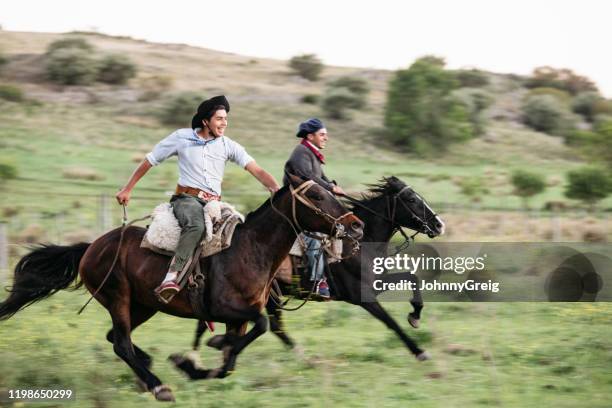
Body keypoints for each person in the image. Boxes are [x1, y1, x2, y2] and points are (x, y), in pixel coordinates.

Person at [116, 95, 280, 300]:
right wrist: (127, 189)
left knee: (239, 232)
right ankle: (171, 276)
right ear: (205, 121)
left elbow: (255, 169)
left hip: (214, 203)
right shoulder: (181, 138)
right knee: (196, 226)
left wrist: (275, 187)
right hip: (186, 199)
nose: (224, 123)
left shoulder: (228, 145)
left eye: (226, 119)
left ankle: (216, 286)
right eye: (219, 118)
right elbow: (151, 160)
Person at [283, 118, 345, 298]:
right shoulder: (301, 152)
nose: (326, 138)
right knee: (313, 239)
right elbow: (307, 177)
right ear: (310, 136)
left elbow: (322, 179)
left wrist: (333, 187)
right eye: (322, 134)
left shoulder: (312, 154)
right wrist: (330, 188)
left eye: (326, 134)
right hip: (297, 206)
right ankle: (318, 282)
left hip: (309, 204)